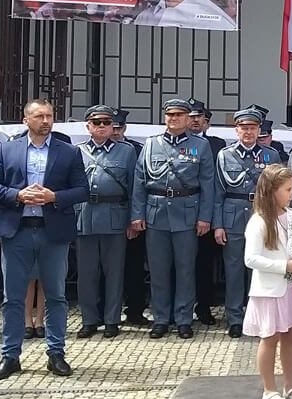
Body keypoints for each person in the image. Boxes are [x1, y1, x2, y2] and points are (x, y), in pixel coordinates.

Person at [0, 99, 89, 381]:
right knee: (12, 297)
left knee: (56, 295)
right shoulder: (8, 149)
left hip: (52, 231)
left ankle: (56, 353)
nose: (45, 121)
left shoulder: (68, 152)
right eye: (39, 116)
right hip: (16, 230)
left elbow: (82, 190)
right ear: (26, 120)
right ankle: (10, 355)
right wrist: (17, 195)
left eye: (49, 116)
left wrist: (54, 196)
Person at [133, 98, 217, 339]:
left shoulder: (200, 146)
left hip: (187, 213)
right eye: (170, 114)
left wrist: (205, 217)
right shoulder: (151, 144)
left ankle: (183, 319)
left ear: (188, 118)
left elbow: (207, 184)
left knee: (185, 270)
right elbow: (139, 181)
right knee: (158, 270)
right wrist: (137, 214)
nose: (174, 119)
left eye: (179, 115)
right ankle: (161, 318)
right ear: (165, 117)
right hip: (156, 212)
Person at [242, 165, 292, 399]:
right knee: (269, 338)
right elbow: (251, 259)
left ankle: (290, 386)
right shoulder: (259, 221)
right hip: (270, 290)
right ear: (272, 191)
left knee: (291, 335)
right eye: (288, 190)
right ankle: (269, 389)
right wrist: (283, 266)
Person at [215, 107, 283, 338]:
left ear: (259, 130)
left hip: (262, 214)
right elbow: (218, 193)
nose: (248, 132)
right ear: (236, 130)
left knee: (260, 269)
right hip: (233, 215)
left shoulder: (271, 155)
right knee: (233, 269)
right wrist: (218, 225)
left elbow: (278, 191)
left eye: (252, 128)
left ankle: (260, 317)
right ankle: (235, 318)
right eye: (244, 128)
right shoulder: (225, 155)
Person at [74, 105, 139, 340]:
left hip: (115, 216)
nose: (102, 127)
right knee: (87, 274)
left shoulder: (126, 151)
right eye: (96, 122)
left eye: (106, 122)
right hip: (85, 216)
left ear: (113, 126)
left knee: (114, 272)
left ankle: (112, 320)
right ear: (88, 126)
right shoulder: (78, 151)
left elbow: (134, 188)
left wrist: (133, 219)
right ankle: (89, 320)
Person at [112, 108, 151, 327]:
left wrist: (134, 218)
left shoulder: (136, 150)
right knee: (107, 269)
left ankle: (135, 311)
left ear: (125, 128)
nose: (115, 132)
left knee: (134, 267)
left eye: (118, 128)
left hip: (132, 217)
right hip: (108, 217)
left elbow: (139, 187)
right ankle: (108, 312)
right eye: (112, 128)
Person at [188, 99, 225, 327]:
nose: (194, 120)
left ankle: (203, 306)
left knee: (204, 262)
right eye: (191, 116)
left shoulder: (216, 145)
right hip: (182, 210)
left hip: (207, 211)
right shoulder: (176, 143)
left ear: (206, 122)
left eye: (198, 117)